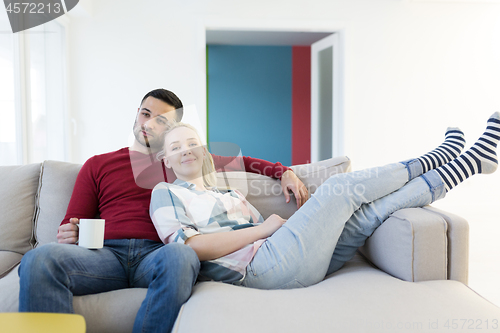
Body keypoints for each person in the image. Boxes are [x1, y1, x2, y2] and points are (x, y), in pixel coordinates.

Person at [18, 88, 308, 333]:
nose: (149, 124)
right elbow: (72, 222)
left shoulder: (180, 158)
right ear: (136, 114)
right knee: (38, 259)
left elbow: (244, 161)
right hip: (104, 256)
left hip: (159, 255)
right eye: (146, 114)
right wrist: (69, 231)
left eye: (161, 121)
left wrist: (284, 172)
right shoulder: (98, 164)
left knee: (182, 254)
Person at [150, 113, 499, 289]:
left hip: (289, 255)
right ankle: (441, 157)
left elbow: (275, 227)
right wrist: (262, 230)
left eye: (192, 142)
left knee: (367, 216)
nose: (186, 150)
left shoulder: (229, 192)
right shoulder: (166, 193)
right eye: (176, 147)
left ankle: (464, 166)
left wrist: (299, 219)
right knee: (338, 187)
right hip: (258, 271)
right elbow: (190, 248)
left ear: (203, 150)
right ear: (165, 160)